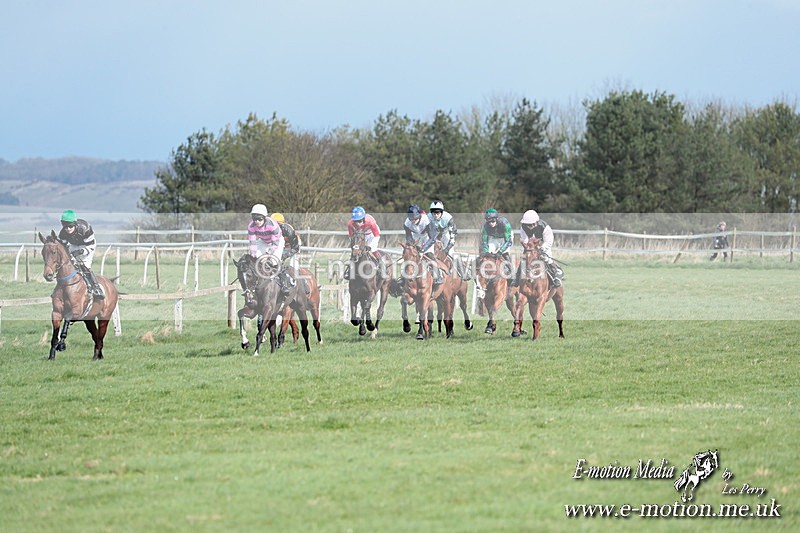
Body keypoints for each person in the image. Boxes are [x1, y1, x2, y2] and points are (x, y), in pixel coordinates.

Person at [57, 209, 104, 299]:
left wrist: (81, 252)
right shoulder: (63, 233)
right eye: (65, 227)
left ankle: (96, 288)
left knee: (85, 266)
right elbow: (64, 247)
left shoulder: (85, 228)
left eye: (70, 226)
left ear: (75, 224)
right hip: (74, 245)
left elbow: (90, 246)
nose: (68, 229)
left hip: (87, 246)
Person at [247, 204, 293, 295]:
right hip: (263, 241)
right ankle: (256, 282)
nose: (257, 221)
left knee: (274, 261)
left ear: (264, 217)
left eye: (259, 219)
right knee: (257, 259)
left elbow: (275, 244)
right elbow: (252, 243)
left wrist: (268, 254)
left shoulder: (272, 224)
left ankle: (284, 283)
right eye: (255, 219)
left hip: (277, 242)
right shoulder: (251, 226)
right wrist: (253, 256)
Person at [515, 209, 563, 288]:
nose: (528, 226)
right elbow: (525, 240)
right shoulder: (523, 227)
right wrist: (529, 247)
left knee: (547, 259)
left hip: (543, 246)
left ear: (536, 222)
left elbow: (548, 241)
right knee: (524, 260)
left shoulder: (545, 227)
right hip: (531, 248)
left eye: (530, 224)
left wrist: (541, 249)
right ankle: (517, 278)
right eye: (527, 224)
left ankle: (555, 276)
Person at [428, 199, 470, 280]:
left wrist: (447, 248)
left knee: (451, 252)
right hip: (434, 236)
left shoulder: (448, 218)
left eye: (438, 213)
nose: (435, 215)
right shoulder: (428, 217)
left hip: (446, 234)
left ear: (442, 212)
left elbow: (453, 234)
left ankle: (463, 271)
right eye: (433, 213)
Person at [344, 206, 388, 280]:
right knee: (355, 250)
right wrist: (355, 247)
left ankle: (381, 266)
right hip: (358, 235)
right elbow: (351, 237)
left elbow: (377, 236)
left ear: (363, 218)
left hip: (371, 234)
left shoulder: (371, 222)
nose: (358, 223)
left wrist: (370, 246)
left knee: (372, 249)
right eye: (355, 221)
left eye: (360, 221)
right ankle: (349, 269)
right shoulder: (350, 224)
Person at [403, 204, 442, 285]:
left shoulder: (426, 220)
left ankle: (438, 275)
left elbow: (432, 238)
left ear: (419, 216)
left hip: (427, 236)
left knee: (429, 254)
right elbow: (408, 237)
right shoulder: (407, 223)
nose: (413, 221)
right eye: (411, 219)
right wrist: (411, 246)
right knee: (409, 255)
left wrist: (423, 249)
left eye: (415, 219)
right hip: (416, 236)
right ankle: (403, 277)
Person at [271, 212, 308, 294]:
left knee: (293, 266)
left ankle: (304, 284)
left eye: (276, 225)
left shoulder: (288, 230)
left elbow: (295, 248)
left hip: (294, 246)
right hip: (282, 247)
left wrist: (286, 255)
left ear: (281, 224)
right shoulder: (270, 230)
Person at [480, 208, 514, 277]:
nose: (491, 223)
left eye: (493, 221)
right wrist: (486, 251)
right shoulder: (485, 227)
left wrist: (500, 252)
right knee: (489, 252)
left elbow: (508, 241)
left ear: (497, 219)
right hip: (494, 238)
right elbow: (484, 241)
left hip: (506, 238)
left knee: (505, 253)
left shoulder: (505, 224)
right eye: (489, 222)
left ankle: (511, 273)